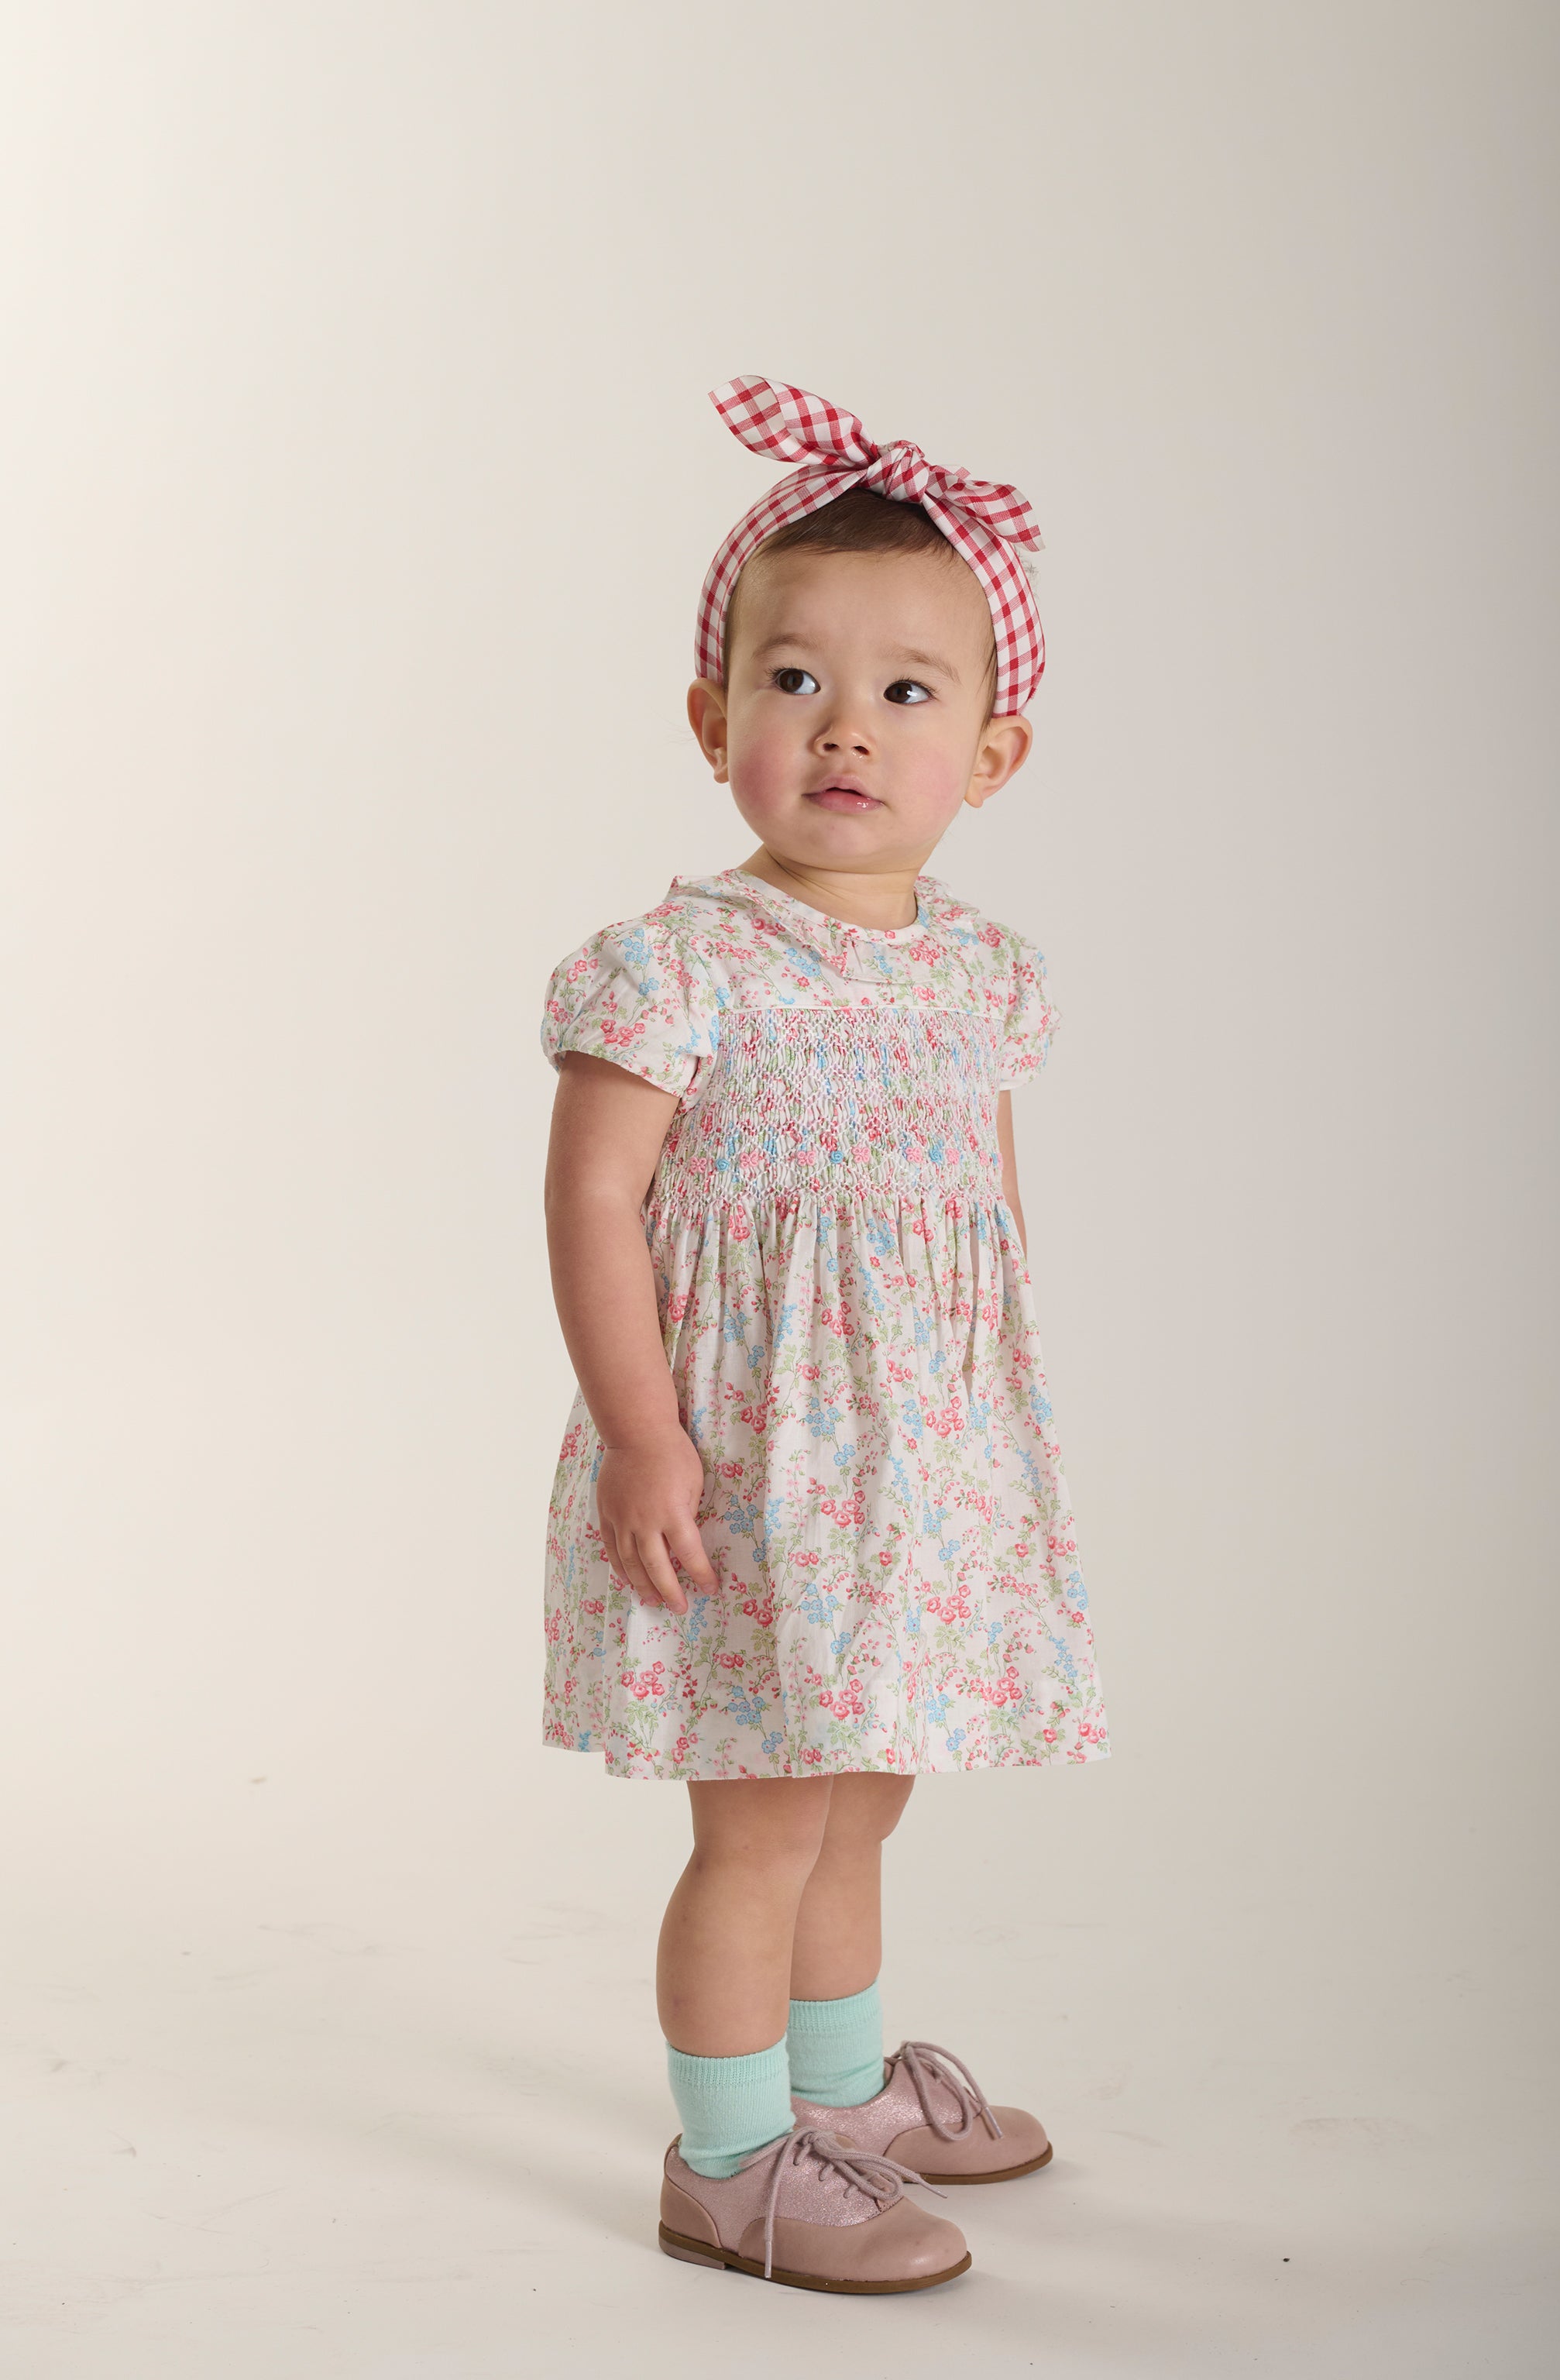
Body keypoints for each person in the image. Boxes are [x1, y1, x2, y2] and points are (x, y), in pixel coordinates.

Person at [540, 377, 1108, 2293]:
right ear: (714, 722)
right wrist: (644, 1438)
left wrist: (984, 1430)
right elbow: (593, 1203)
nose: (846, 727)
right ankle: (727, 2164)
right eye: (793, 681)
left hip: (913, 1476)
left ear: (992, 751)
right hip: (750, 1471)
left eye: (905, 692)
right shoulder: (679, 964)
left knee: (866, 1794)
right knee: (765, 1825)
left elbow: (980, 1222)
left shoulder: (981, 972)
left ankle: (842, 2097)